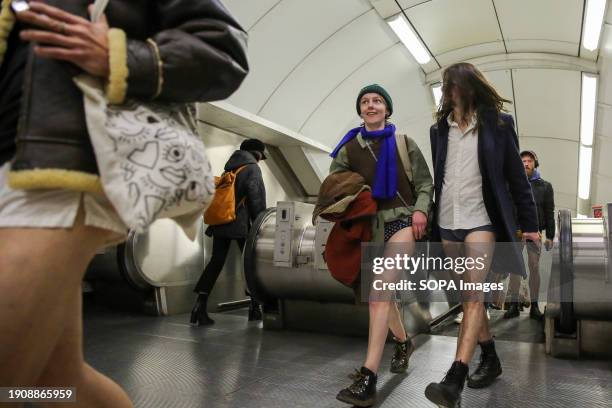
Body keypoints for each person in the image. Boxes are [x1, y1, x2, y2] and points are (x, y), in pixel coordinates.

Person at [0, 1, 248, 406]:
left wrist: (122, 57)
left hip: (66, 170)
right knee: (60, 380)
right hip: (14, 170)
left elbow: (223, 49)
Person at [425, 62, 538, 408]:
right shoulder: (438, 130)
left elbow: (517, 179)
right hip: (447, 221)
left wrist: (531, 224)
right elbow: (442, 175)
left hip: (481, 221)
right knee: (466, 296)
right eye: (447, 85)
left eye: (455, 84)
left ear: (471, 85)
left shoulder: (500, 125)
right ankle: (490, 356)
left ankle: (455, 376)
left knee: (474, 293)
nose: (450, 90)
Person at [329, 84, 433, 407]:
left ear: (387, 109)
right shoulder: (347, 149)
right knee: (382, 296)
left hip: (401, 221)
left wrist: (420, 210)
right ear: (360, 110)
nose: (371, 105)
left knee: (378, 294)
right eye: (365, 101)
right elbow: (335, 187)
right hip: (369, 227)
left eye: (377, 101)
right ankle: (403, 342)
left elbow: (425, 184)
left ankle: (369, 375)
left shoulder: (404, 144)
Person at [191, 138, 267, 326]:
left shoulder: (231, 167)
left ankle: (199, 307)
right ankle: (255, 308)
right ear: (257, 153)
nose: (260, 160)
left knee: (216, 262)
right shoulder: (252, 168)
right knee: (249, 265)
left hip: (221, 222)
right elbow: (256, 199)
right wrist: (260, 223)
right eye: (261, 156)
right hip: (240, 226)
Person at [504, 150, 555, 320]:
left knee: (534, 268)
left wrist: (550, 235)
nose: (526, 163)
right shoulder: (512, 184)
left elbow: (549, 211)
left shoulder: (545, 187)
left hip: (535, 232)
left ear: (535, 164)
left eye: (529, 161)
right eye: (523, 161)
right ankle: (513, 305)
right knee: (515, 269)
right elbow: (508, 209)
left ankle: (534, 306)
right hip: (516, 231)